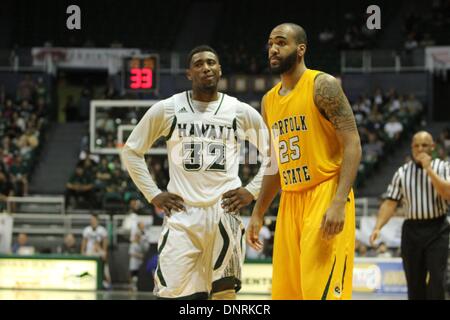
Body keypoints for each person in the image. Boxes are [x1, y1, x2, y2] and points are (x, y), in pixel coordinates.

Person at [122, 45, 269, 300]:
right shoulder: (169, 108)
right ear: (189, 73)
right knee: (170, 293)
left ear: (220, 70)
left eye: (211, 62)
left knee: (224, 292)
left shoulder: (239, 111)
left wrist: (251, 191)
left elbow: (275, 155)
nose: (206, 68)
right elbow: (131, 151)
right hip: (182, 213)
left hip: (225, 212)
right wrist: (154, 194)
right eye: (199, 64)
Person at [246, 23, 362, 300]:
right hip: (290, 201)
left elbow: (353, 144)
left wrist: (338, 201)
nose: (273, 49)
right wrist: (259, 211)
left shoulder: (323, 85)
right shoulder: (268, 101)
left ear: (300, 49)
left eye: (281, 42)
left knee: (318, 292)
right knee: (288, 294)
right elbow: (275, 163)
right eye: (270, 43)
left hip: (324, 193)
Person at [369, 131, 450, 300]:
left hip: (438, 229)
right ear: (411, 148)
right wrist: (378, 227)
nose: (420, 149)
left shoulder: (443, 167)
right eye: (416, 145)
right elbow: (390, 203)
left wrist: (428, 169)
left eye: (424, 145)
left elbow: (447, 193)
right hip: (412, 231)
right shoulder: (401, 173)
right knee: (414, 283)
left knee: (437, 280)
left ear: (433, 147)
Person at [81, 214, 111, 287]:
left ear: (97, 221)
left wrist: (104, 252)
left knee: (105, 266)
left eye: (94, 220)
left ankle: (106, 281)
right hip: (89, 251)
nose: (92, 222)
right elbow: (84, 241)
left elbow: (105, 242)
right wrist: (82, 251)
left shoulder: (102, 230)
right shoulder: (87, 230)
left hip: (98, 251)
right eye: (91, 220)